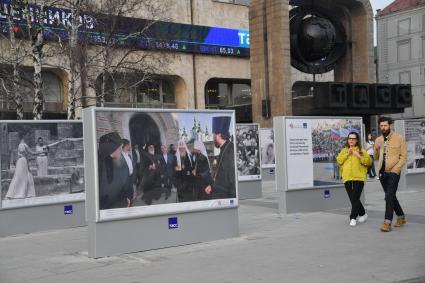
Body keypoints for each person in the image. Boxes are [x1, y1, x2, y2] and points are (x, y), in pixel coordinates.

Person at [374, 117, 407, 232]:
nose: (383, 128)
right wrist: (377, 148)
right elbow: (376, 157)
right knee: (391, 196)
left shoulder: (399, 138)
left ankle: (387, 222)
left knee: (388, 196)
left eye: (385, 125)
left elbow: (403, 157)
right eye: (381, 126)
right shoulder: (378, 139)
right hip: (382, 173)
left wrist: (396, 169)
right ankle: (401, 217)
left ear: (390, 126)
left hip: (394, 172)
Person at [336, 132, 372, 227]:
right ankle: (363, 214)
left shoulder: (361, 151)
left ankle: (353, 217)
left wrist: (358, 155)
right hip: (347, 177)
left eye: (353, 138)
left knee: (355, 197)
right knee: (353, 198)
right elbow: (339, 160)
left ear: (357, 140)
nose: (351, 140)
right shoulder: (344, 150)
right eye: (349, 138)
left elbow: (368, 162)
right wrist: (348, 154)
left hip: (359, 177)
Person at [206, 116, 235, 199]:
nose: (213, 137)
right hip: (219, 192)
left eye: (213, 135)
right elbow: (220, 174)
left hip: (225, 196)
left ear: (218, 134)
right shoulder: (224, 148)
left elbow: (232, 179)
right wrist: (212, 186)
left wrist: (231, 200)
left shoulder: (230, 150)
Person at [97, 132, 128, 209]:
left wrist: (123, 198)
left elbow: (120, 182)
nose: (121, 150)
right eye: (120, 147)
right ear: (111, 148)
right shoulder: (98, 164)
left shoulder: (115, 160)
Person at [6, 132, 37, 199]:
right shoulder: (23, 145)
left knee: (27, 176)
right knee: (20, 176)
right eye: (27, 135)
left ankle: (28, 193)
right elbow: (31, 153)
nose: (28, 137)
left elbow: (26, 154)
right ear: (23, 136)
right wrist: (41, 152)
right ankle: (14, 194)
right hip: (23, 161)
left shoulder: (20, 145)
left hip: (21, 161)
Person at [121, 139, 136, 207]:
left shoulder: (129, 155)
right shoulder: (120, 156)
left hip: (130, 178)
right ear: (125, 145)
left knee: (131, 193)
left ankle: (131, 206)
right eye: (129, 145)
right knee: (126, 196)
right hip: (124, 180)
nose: (130, 146)